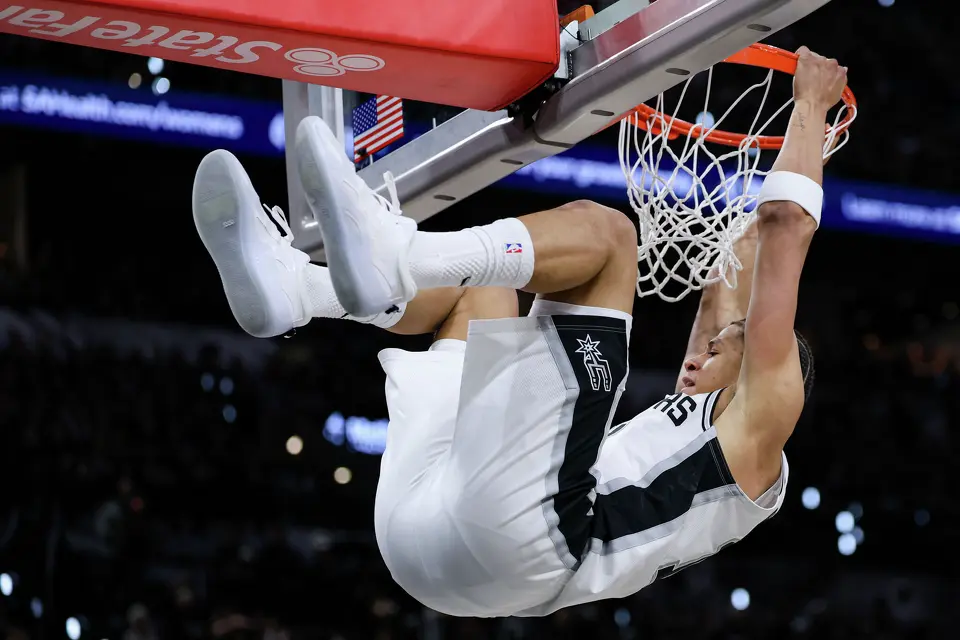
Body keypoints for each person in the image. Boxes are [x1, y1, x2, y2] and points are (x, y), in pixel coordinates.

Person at [191, 46, 845, 617]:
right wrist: (773, 188)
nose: (700, 349)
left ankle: (393, 255)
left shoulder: (762, 425)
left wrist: (810, 107)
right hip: (425, 530)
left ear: (766, 370)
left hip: (536, 540)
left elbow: (786, 228)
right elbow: (733, 272)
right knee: (485, 288)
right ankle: (301, 290)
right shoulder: (698, 417)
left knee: (611, 237)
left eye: (723, 348)